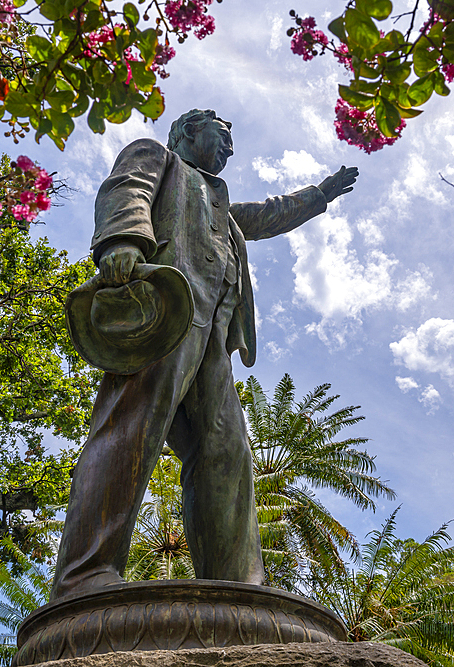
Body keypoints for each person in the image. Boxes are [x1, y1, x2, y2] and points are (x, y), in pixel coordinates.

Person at [52, 109, 358, 600]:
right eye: (224, 136)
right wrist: (124, 239)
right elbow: (126, 186)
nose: (230, 150)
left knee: (226, 452)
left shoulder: (221, 205)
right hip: (165, 312)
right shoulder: (160, 157)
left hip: (216, 335)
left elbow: (267, 216)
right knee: (129, 428)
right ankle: (85, 574)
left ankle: (236, 584)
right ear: (189, 131)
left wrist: (319, 194)